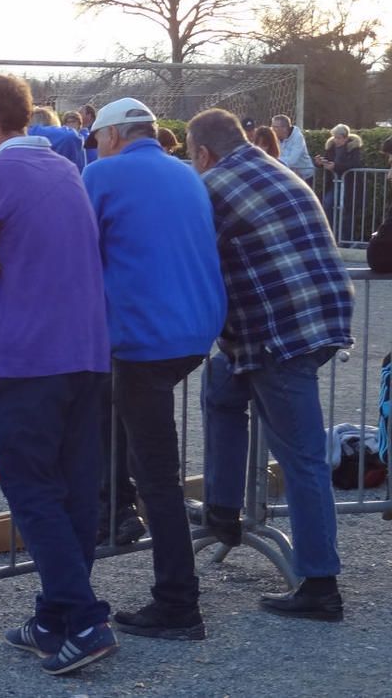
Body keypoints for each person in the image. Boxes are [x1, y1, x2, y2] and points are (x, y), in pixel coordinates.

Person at [0, 74, 117, 676]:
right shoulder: (65, 167)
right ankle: (54, 618)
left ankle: (87, 619)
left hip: (29, 352)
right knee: (74, 488)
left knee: (29, 487)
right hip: (87, 349)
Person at [185, 108, 353, 622]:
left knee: (302, 457)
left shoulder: (212, 187)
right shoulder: (274, 168)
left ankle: (320, 583)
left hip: (280, 336)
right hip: (321, 316)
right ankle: (223, 508)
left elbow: (188, 259)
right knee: (221, 381)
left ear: (203, 153)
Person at [81, 97, 226, 641]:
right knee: (115, 411)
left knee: (158, 476)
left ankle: (178, 602)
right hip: (194, 331)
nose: (94, 148)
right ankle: (116, 508)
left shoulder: (103, 175)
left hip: (146, 338)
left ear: (113, 135)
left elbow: (74, 249)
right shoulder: (185, 172)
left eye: (96, 139)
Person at [316, 123, 364, 238]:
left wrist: (335, 166)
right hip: (334, 184)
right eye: (335, 137)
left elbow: (354, 164)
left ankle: (345, 238)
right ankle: (330, 234)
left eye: (339, 138)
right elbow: (327, 160)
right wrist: (319, 163)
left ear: (346, 138)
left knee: (346, 211)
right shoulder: (331, 147)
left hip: (349, 185)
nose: (336, 140)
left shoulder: (354, 148)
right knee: (327, 204)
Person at [28, 106, 86, 170]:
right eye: (68, 122)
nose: (70, 124)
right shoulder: (69, 139)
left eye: (73, 122)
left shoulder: (26, 135)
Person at [271, 114, 314, 181]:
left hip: (304, 176)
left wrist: (271, 160)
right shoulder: (273, 136)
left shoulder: (298, 137)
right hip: (287, 174)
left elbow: (292, 160)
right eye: (272, 126)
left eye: (275, 127)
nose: (272, 129)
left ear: (285, 128)